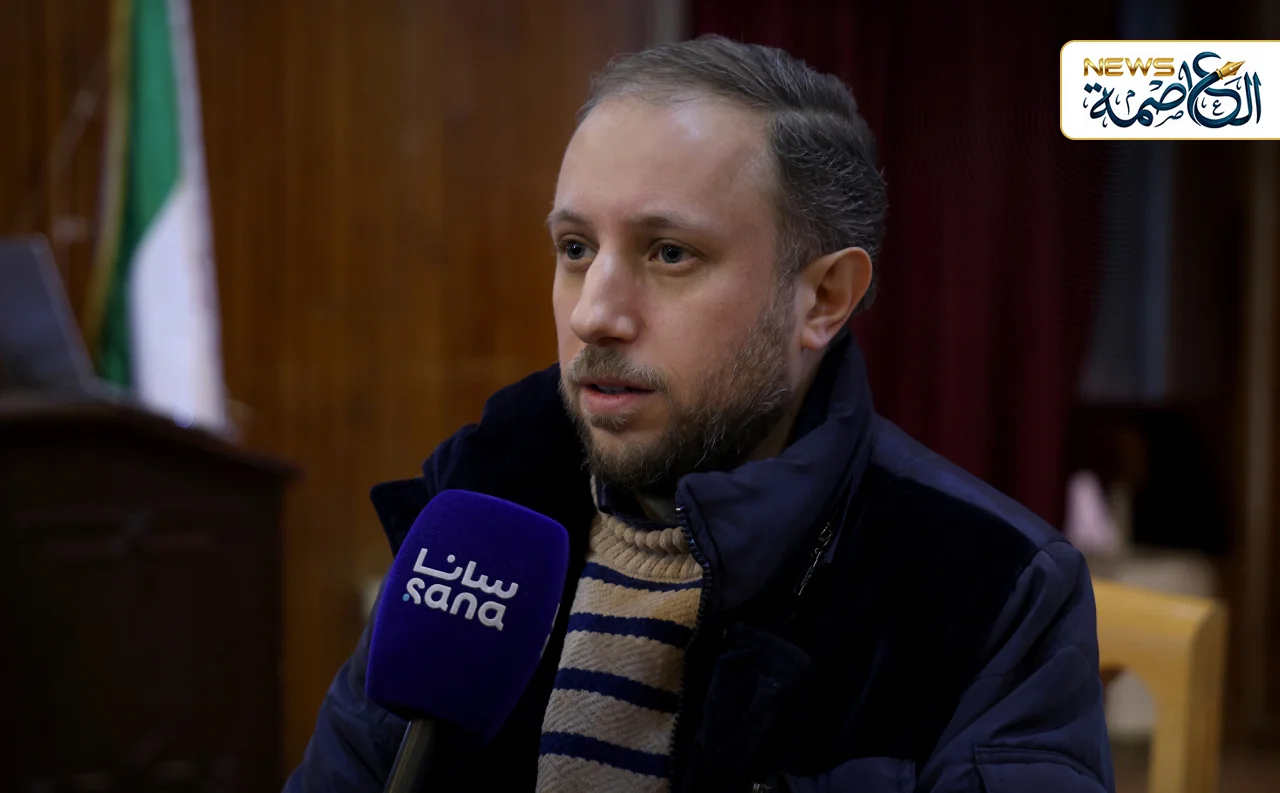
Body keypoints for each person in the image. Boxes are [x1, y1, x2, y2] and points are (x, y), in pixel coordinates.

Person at [285, 36, 1114, 793]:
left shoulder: (992, 586)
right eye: (575, 248)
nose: (594, 314)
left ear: (823, 298)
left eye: (670, 253)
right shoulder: (481, 504)